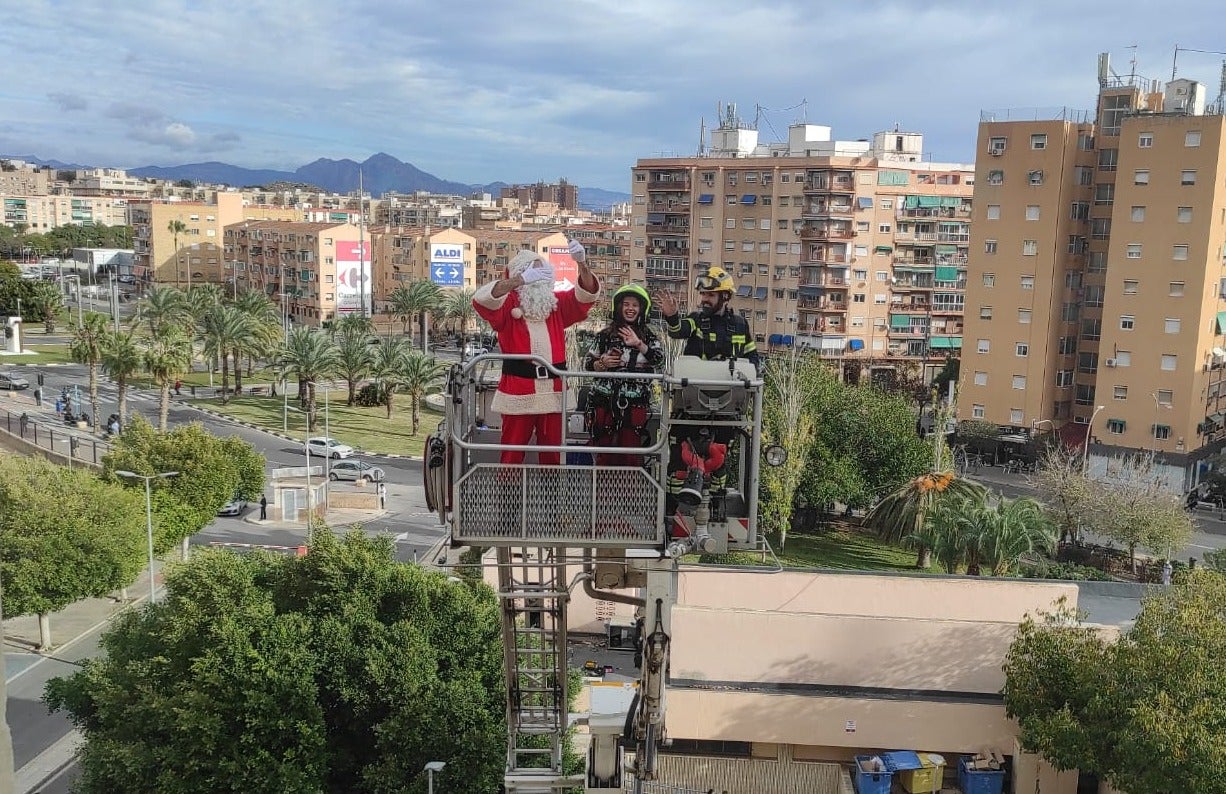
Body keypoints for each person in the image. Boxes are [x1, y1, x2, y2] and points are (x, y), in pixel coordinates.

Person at [472, 239, 600, 464]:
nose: (540, 279)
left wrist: (582, 264)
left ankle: (549, 498)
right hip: (518, 390)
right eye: (534, 274)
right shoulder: (507, 303)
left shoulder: (555, 305)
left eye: (543, 274)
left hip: (553, 392)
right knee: (511, 452)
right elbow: (482, 300)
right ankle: (508, 498)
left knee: (552, 455)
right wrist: (519, 281)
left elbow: (585, 295)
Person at [656, 265, 762, 510]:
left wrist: (755, 371)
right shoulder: (695, 320)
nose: (704, 299)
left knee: (719, 459)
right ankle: (672, 509)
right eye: (702, 295)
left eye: (710, 295)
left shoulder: (739, 325)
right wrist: (672, 316)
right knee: (679, 460)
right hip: (690, 407)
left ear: (725, 296)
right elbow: (678, 331)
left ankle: (716, 505)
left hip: (727, 408)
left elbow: (752, 358)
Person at [583, 284, 665, 465]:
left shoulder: (649, 337)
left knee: (630, 456)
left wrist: (638, 344)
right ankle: (602, 492)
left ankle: (629, 491)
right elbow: (587, 364)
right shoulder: (604, 336)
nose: (630, 309)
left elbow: (660, 361)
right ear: (618, 307)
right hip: (604, 401)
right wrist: (601, 364)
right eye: (626, 304)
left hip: (634, 404)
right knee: (603, 453)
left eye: (635, 305)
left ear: (642, 309)